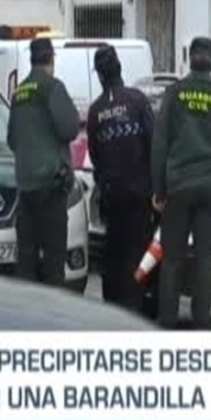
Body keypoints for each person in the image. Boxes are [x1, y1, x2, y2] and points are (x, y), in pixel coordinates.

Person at [151, 37, 211, 329]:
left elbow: (160, 143)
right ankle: (202, 319)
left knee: (172, 257)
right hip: (210, 189)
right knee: (206, 256)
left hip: (178, 187)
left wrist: (158, 188)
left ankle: (167, 319)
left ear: (190, 59)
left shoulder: (175, 94)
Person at [86, 45, 155, 313]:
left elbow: (95, 154)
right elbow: (153, 141)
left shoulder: (96, 112)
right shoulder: (137, 101)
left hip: (112, 195)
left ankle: (112, 307)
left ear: (100, 76)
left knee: (113, 253)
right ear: (120, 69)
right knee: (137, 253)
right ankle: (134, 306)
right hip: (139, 193)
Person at [7, 37, 80, 286]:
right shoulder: (52, 87)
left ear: (31, 59)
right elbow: (70, 128)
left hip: (26, 191)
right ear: (50, 59)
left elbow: (12, 140)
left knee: (26, 262)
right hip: (51, 188)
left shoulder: (18, 93)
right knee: (53, 263)